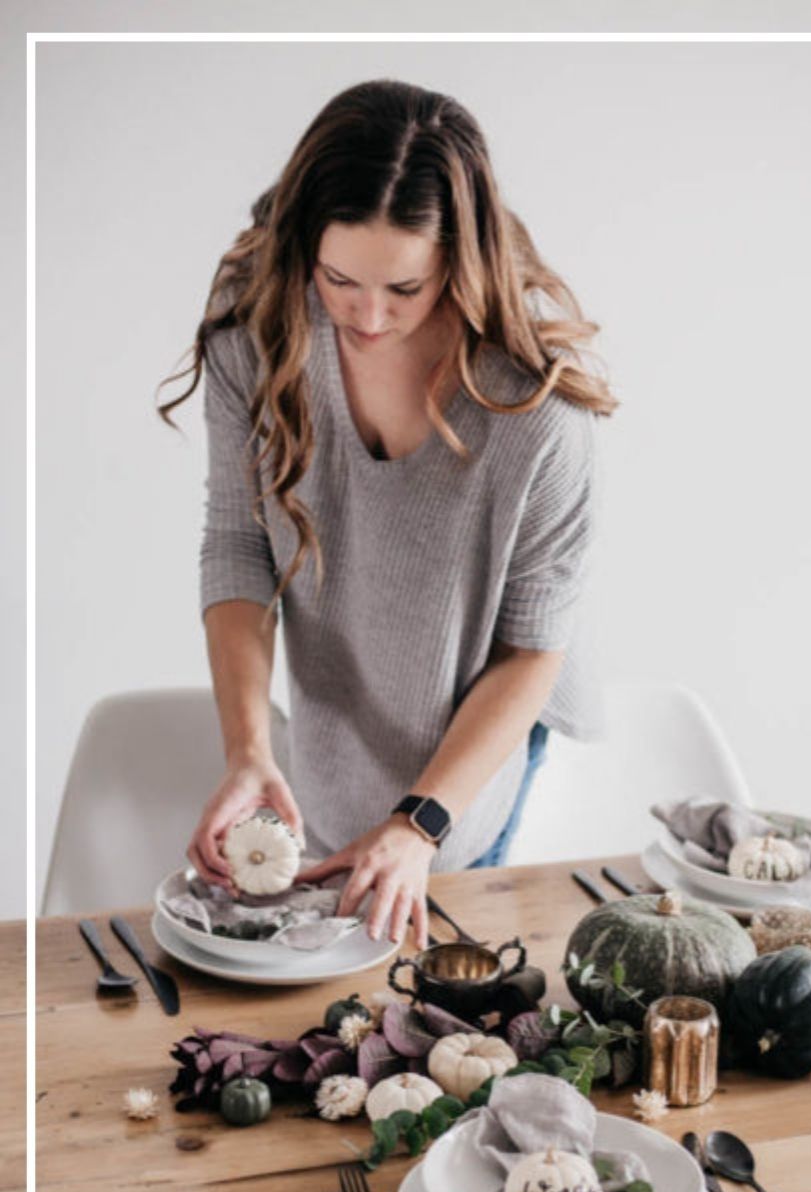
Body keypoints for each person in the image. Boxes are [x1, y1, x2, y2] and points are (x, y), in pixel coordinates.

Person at [160, 78, 616, 949]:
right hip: (333, 727)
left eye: (405, 288)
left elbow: (531, 654)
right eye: (339, 280)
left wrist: (419, 823)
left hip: (472, 750)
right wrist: (249, 750)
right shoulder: (257, 336)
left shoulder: (541, 413)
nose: (367, 318)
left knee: (434, 999)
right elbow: (237, 548)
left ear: (460, 261)